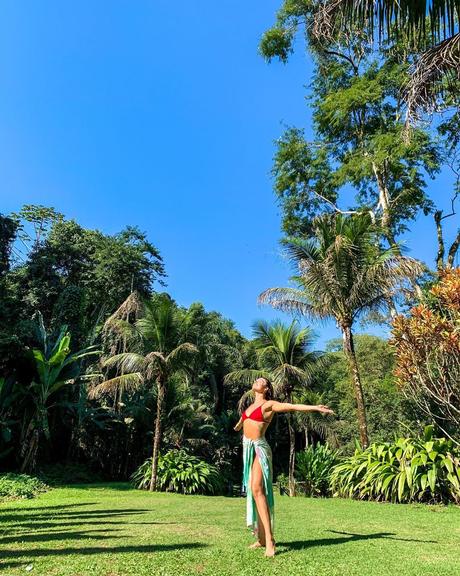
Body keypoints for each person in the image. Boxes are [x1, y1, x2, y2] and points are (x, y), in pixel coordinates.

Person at [233, 377, 334, 557]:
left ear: (266, 389)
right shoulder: (248, 407)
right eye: (256, 380)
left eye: (261, 381)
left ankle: (270, 540)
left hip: (259, 448)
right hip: (247, 449)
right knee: (253, 492)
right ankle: (261, 538)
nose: (257, 381)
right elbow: (241, 424)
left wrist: (315, 408)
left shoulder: (269, 404)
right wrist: (239, 425)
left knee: (257, 489)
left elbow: (292, 407)